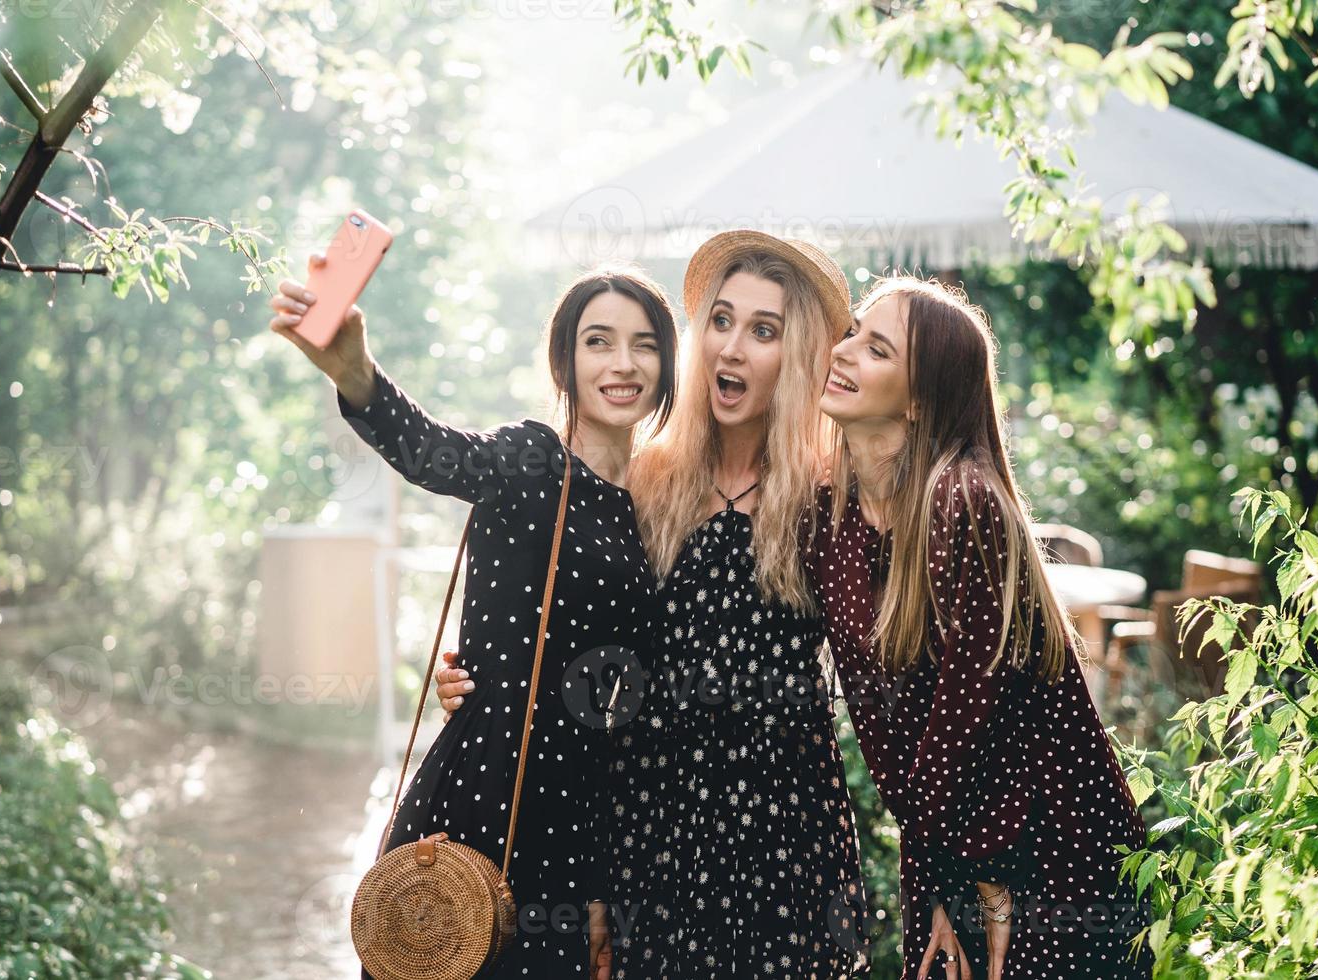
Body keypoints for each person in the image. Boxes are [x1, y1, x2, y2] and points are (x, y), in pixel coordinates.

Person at [435, 230, 871, 979]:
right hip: (651, 830)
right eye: (722, 322)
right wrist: (479, 677)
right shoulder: (646, 484)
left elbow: (900, 662)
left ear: (796, 357)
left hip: (784, 834)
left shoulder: (833, 498)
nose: (732, 349)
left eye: (763, 331)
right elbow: (575, 642)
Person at [268, 256, 678, 979]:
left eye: (644, 344)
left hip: (586, 816)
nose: (623, 363)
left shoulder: (656, 505)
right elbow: (436, 455)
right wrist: (355, 374)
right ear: (564, 360)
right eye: (598, 341)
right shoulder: (531, 459)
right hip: (491, 792)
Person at [804, 274, 1156, 980]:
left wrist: (979, 877)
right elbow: (878, 724)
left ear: (919, 398)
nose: (843, 354)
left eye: (876, 349)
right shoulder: (829, 520)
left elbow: (972, 715)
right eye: (851, 334)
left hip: (1048, 850)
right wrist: (937, 876)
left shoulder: (965, 501)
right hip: (946, 845)